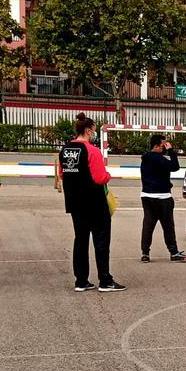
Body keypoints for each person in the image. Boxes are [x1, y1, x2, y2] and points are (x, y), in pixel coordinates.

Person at [58, 113, 124, 293]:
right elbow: (100, 177)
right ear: (88, 130)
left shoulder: (65, 149)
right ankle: (105, 280)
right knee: (101, 240)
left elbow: (62, 174)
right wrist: (109, 175)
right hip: (94, 202)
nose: (94, 133)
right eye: (93, 130)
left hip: (75, 202)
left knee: (80, 239)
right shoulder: (92, 151)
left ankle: (81, 280)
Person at [139, 135, 186, 263]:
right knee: (168, 226)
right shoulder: (158, 158)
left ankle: (145, 253)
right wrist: (171, 151)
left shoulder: (145, 159)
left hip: (147, 195)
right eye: (163, 145)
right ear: (157, 145)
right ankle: (173, 252)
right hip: (162, 196)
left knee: (148, 225)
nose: (165, 147)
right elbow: (175, 166)